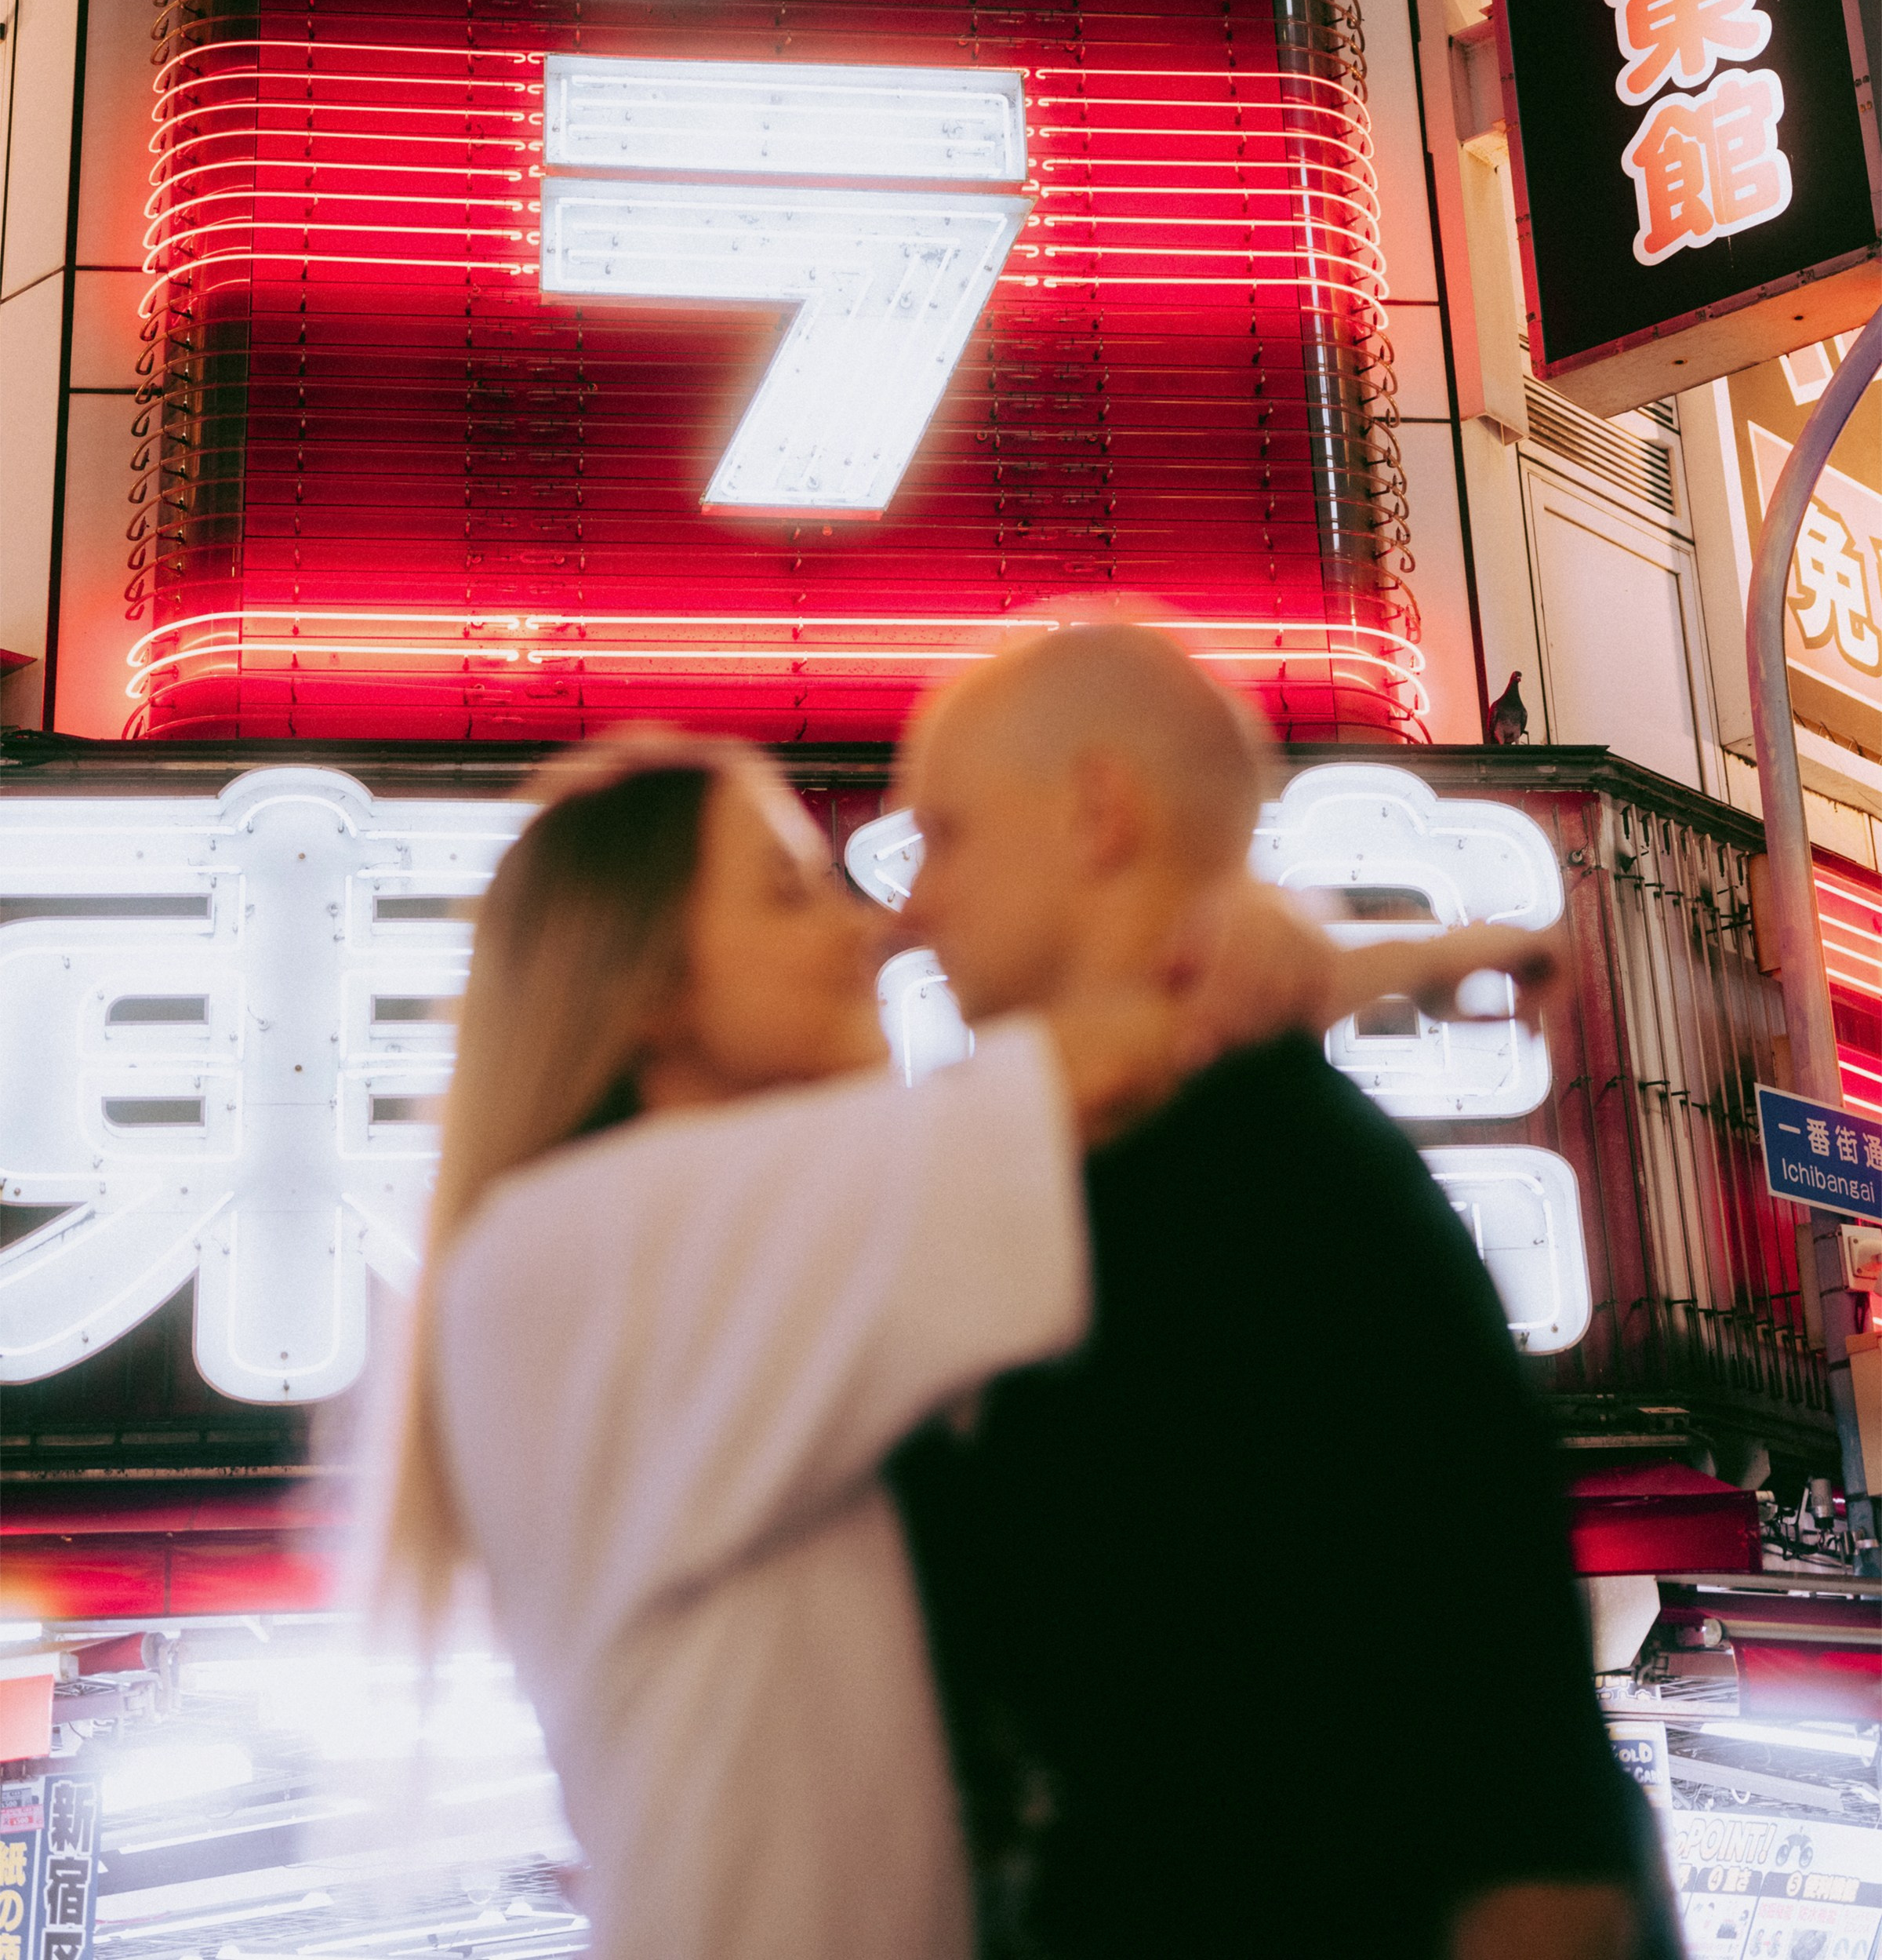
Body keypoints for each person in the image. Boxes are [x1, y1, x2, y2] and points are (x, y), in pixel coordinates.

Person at [376, 718, 1568, 1960]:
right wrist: (1343, 954)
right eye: (789, 894)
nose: (876, 931)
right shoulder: (595, 1247)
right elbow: (1109, 1062)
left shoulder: (727, 1267)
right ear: (647, 982)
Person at [886, 624, 1673, 1960]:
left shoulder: (1285, 1203)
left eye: (944, 837)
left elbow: (1527, 1828)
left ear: (1096, 812)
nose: (912, 908)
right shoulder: (1088, 1188)